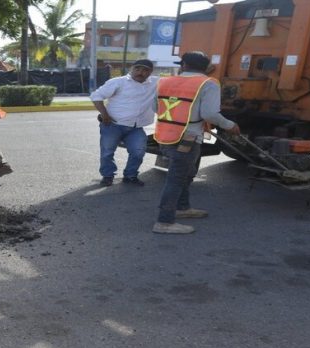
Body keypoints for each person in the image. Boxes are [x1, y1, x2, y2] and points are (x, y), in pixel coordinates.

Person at [152, 51, 241, 235]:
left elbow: (155, 107)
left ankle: (182, 208)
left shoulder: (164, 81)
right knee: (177, 178)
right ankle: (164, 222)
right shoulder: (208, 83)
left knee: (183, 174)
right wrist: (230, 125)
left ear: (183, 65)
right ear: (207, 68)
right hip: (188, 138)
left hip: (165, 135)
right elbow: (209, 114)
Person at [90, 59, 158, 187]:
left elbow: (176, 81)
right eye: (137, 69)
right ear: (131, 69)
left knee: (138, 151)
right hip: (113, 125)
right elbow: (96, 96)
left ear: (150, 72)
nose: (140, 72)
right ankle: (108, 176)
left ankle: (130, 176)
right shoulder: (118, 82)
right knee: (107, 152)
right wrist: (104, 114)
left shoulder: (155, 83)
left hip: (136, 127)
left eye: (145, 70)